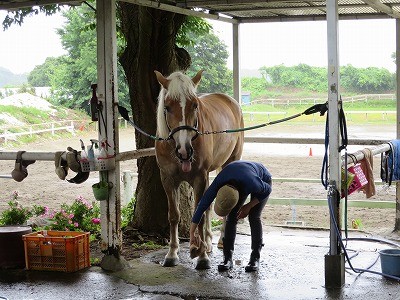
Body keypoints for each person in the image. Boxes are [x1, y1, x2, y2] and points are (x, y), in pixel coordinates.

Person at [190, 160, 272, 272]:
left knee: (254, 216)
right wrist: (192, 233)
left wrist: (248, 206)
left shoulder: (253, 183)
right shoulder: (219, 182)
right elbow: (201, 206)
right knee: (231, 216)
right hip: (238, 175)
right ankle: (227, 258)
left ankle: (255, 258)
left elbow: (267, 189)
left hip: (262, 180)